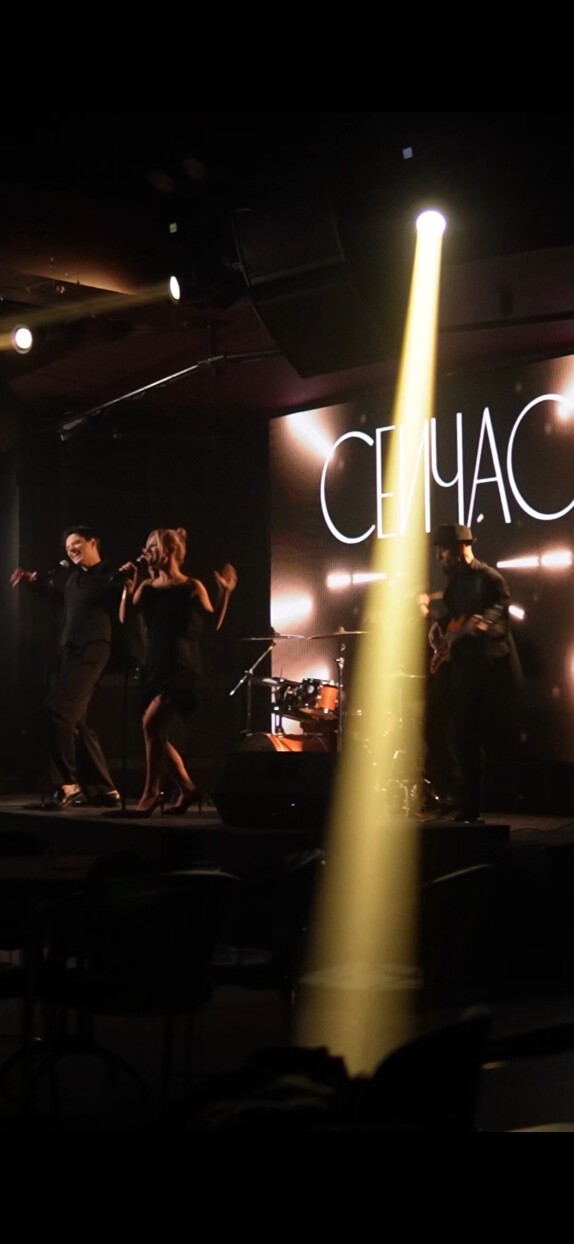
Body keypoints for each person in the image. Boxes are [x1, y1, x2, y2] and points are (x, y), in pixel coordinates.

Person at [119, 527, 238, 816]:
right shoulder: (147, 587)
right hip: (154, 664)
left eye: (152, 546)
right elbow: (125, 617)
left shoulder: (191, 586)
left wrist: (225, 592)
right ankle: (187, 788)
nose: (147, 551)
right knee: (155, 731)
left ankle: (151, 792)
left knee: (151, 726)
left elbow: (213, 621)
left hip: (181, 665)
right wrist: (128, 586)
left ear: (169, 551)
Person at [10, 526, 123, 809]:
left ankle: (68, 784)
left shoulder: (110, 576)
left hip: (93, 648)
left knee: (57, 708)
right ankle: (103, 789)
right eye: (68, 546)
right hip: (70, 651)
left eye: (77, 543)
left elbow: (126, 606)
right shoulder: (74, 579)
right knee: (75, 719)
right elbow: (61, 601)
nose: (71, 549)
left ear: (93, 542)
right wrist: (33, 582)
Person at [426, 523, 523, 824]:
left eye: (442, 551)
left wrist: (473, 627)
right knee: (435, 723)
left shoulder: (490, 578)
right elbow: (458, 612)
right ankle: (452, 793)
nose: (438, 557)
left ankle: (470, 806)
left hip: (485, 668)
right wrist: (440, 626)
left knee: (467, 733)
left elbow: (497, 613)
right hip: (460, 665)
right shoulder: (456, 581)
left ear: (459, 549)